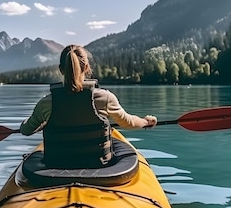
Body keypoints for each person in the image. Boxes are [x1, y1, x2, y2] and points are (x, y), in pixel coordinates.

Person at [20, 44, 157, 168]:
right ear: (86, 67)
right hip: (98, 165)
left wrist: (39, 123)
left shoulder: (45, 103)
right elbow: (128, 122)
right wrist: (146, 121)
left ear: (61, 70)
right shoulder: (105, 98)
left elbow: (26, 130)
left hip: (56, 165)